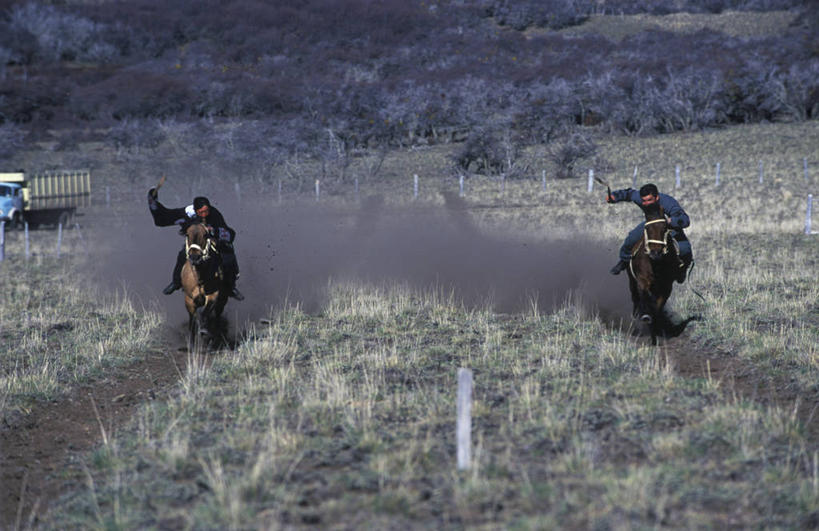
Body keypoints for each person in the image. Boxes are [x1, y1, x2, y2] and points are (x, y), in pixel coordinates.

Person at [147, 187, 244, 300]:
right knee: (183, 254)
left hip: (213, 243)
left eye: (206, 211)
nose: (204, 214)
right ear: (196, 210)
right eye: (201, 212)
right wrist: (152, 201)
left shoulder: (215, 214)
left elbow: (230, 234)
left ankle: (230, 286)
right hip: (194, 245)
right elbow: (163, 219)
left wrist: (214, 231)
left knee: (228, 255)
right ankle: (176, 282)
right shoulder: (187, 213)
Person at [607, 183, 693, 283]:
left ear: (657, 197)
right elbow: (629, 194)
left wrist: (670, 221)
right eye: (644, 201)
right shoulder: (639, 197)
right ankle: (624, 261)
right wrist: (614, 197)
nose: (646, 203)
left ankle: (681, 270)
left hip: (668, 227)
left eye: (649, 200)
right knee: (631, 239)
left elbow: (684, 219)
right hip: (650, 225)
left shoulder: (668, 202)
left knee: (685, 249)